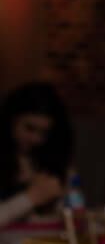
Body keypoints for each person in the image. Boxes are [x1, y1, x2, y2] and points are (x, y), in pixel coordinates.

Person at [0, 81, 71, 227]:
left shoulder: (45, 159)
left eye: (44, 133)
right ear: (10, 120)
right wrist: (30, 198)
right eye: (29, 128)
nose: (36, 139)